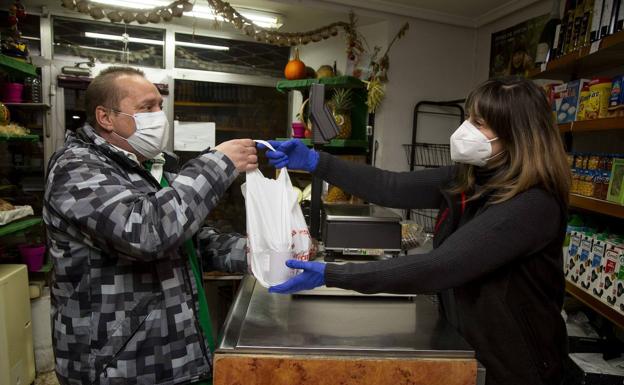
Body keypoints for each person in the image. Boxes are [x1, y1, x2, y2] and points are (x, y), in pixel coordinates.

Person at [261, 77, 570, 385]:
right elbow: (390, 186)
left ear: (517, 136)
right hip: (470, 345)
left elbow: (442, 266)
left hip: (519, 367)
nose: (465, 130)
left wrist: (333, 274)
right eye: (468, 118)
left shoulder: (533, 205)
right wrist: (316, 161)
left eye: (480, 123)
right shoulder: (473, 177)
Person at [43, 66, 257, 385]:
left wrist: (259, 253)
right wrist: (216, 165)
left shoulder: (150, 167)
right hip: (117, 367)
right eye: (146, 108)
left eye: (159, 105)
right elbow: (144, 233)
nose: (159, 116)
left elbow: (191, 241)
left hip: (172, 359)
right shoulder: (75, 169)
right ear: (105, 117)